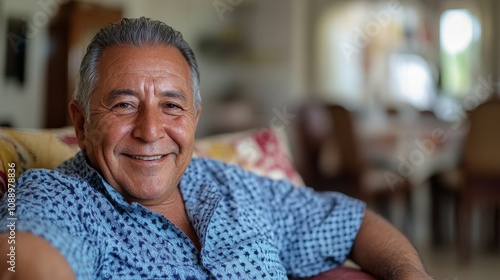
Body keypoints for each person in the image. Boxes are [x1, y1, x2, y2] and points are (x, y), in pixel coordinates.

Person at [0, 17, 432, 280]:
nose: (151, 131)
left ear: (195, 120)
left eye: (172, 106)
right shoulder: (52, 194)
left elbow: (351, 221)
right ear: (81, 122)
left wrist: (413, 274)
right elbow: (25, 257)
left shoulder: (231, 184)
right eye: (125, 105)